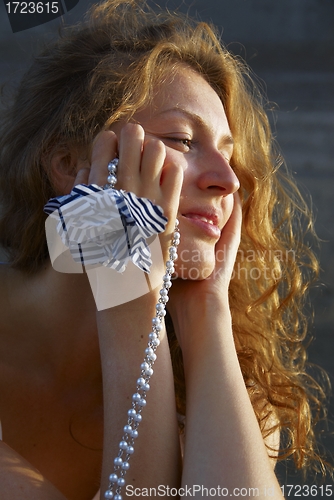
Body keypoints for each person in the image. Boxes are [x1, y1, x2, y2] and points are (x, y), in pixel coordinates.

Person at [0, 1, 330, 498]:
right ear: (71, 166)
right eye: (181, 139)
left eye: (229, 153)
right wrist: (129, 296)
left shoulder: (224, 384)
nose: (226, 180)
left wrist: (206, 310)